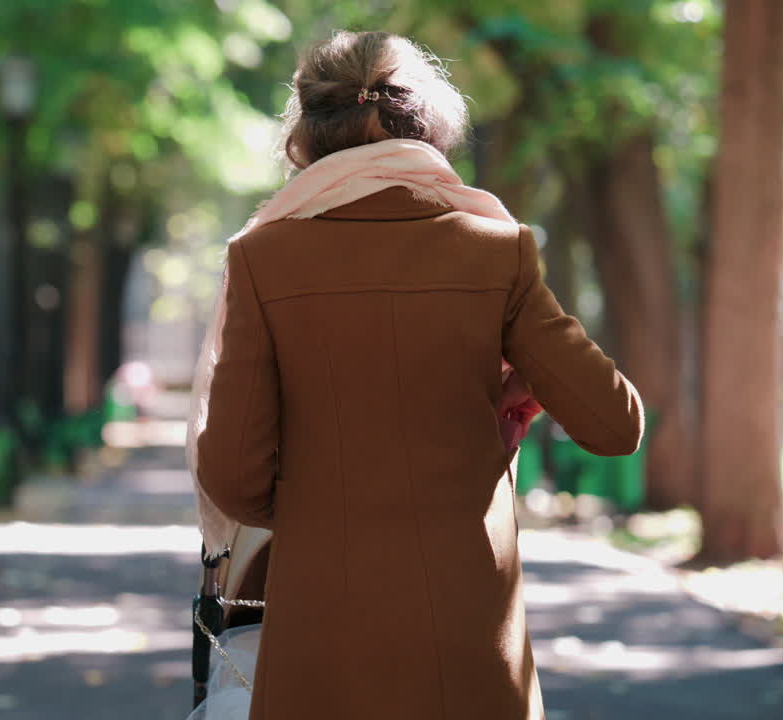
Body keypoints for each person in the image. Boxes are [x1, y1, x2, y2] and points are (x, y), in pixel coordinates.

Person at [188, 30, 644, 720]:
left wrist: (325, 509)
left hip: (320, 645)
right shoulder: (498, 252)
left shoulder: (263, 258)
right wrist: (526, 380)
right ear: (428, 125)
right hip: (470, 640)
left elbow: (232, 478)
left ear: (306, 135)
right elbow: (616, 426)